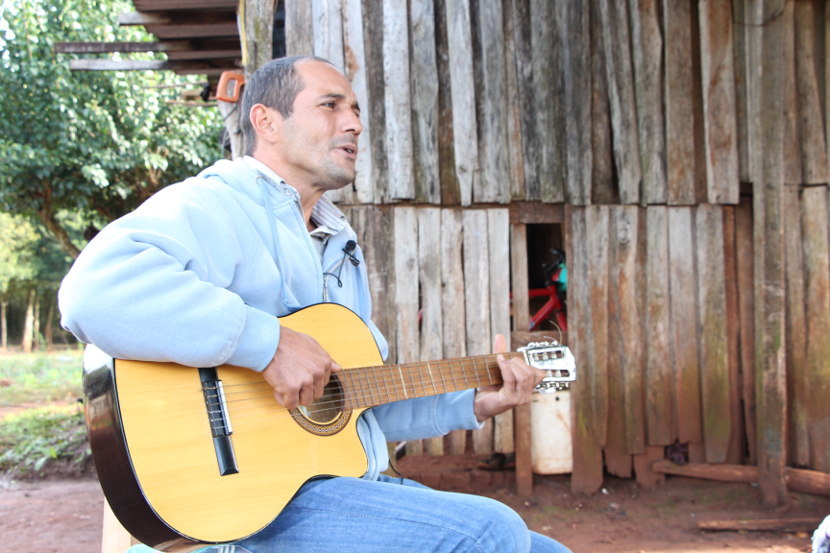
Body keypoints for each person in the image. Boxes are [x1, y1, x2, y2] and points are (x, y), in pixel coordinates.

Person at [59, 55, 572, 553]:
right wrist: (268, 344)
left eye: (356, 110)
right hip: (253, 507)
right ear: (266, 121)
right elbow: (91, 293)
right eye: (330, 105)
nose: (354, 124)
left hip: (342, 488)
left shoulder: (337, 242)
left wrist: (476, 401)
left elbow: (354, 405)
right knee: (489, 532)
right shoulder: (216, 204)